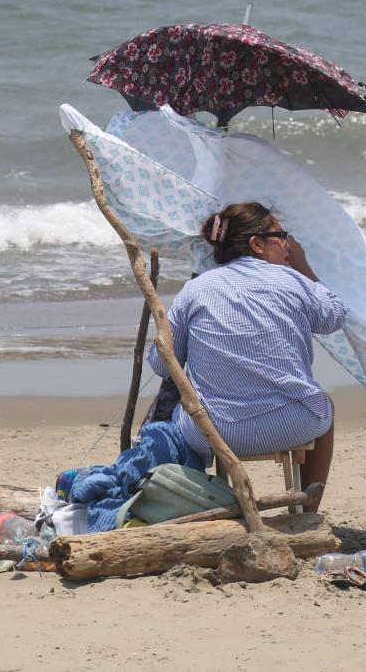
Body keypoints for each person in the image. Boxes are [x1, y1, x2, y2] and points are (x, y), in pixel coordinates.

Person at [146, 201, 347, 510]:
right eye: (280, 235)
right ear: (257, 244)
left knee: (182, 410)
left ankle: (214, 503)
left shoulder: (196, 289)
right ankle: (308, 511)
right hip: (293, 423)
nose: (287, 244)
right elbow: (334, 316)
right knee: (325, 407)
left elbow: (163, 363)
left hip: (213, 431)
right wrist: (303, 266)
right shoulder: (293, 281)